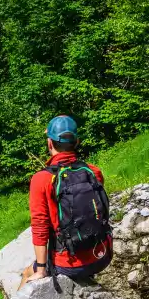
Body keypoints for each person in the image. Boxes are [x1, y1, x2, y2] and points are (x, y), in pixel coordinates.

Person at [21, 115, 112, 286]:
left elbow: (40, 225)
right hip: (103, 255)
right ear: (76, 142)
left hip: (68, 265)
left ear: (50, 143)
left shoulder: (42, 179)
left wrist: (41, 270)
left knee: (27, 273)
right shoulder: (93, 171)